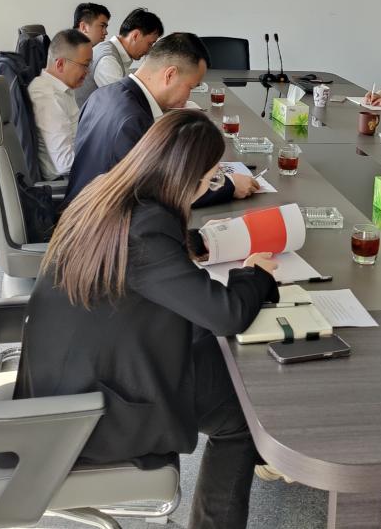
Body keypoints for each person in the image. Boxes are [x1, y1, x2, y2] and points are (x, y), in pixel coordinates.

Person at [15, 110, 278, 529]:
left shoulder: (107, 191)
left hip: (68, 375)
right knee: (242, 414)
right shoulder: (147, 231)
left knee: (215, 356)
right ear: (184, 179)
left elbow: (139, 267)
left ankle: (270, 454)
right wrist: (256, 275)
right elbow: (226, 315)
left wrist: (191, 243)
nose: (208, 188)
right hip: (92, 412)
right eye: (210, 179)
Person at [66, 32, 259, 206]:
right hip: (100, 225)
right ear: (170, 75)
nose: (188, 98)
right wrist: (228, 186)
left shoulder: (103, 94)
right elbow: (158, 192)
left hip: (79, 211)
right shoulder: (133, 120)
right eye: (190, 87)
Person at [26, 29, 93, 180]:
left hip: (80, 167)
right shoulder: (48, 97)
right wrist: (105, 153)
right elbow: (65, 163)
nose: (88, 72)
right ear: (61, 64)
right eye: (85, 65)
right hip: (68, 181)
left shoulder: (61, 88)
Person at [75, 6, 165, 106]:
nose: (149, 50)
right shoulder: (108, 59)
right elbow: (121, 102)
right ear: (135, 35)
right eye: (150, 43)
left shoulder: (113, 54)